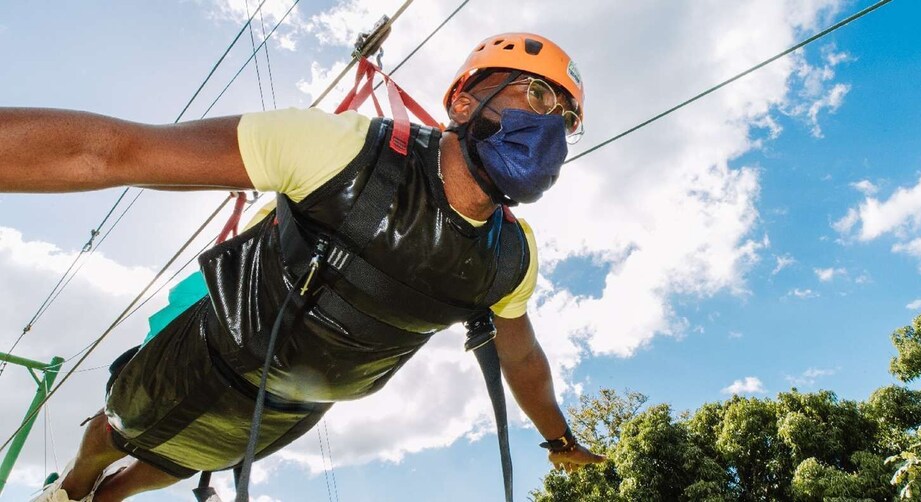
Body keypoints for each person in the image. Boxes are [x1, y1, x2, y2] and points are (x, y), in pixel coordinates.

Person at [1, 32, 604, 502]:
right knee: (119, 430)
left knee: (178, 461)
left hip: (294, 405)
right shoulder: (344, 150)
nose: (551, 124)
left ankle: (111, 496)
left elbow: (521, 357)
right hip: (213, 352)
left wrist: (558, 439)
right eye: (538, 94)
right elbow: (116, 153)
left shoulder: (510, 256)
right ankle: (75, 486)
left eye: (568, 120)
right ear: (466, 102)